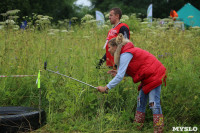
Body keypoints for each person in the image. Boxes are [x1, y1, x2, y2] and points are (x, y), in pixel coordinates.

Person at [97, 33, 167, 133]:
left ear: (115, 47)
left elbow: (120, 77)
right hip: (147, 77)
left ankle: (159, 129)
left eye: (109, 47)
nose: (108, 50)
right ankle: (137, 127)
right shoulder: (125, 52)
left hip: (154, 75)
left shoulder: (126, 53)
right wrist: (121, 73)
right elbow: (131, 71)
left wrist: (106, 87)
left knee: (154, 104)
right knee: (140, 102)